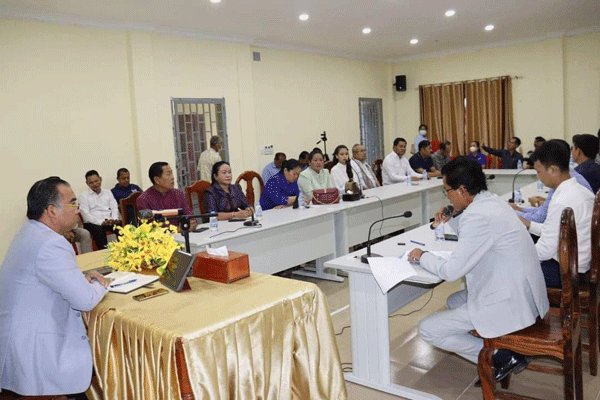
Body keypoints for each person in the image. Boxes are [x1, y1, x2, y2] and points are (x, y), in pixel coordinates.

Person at [408, 157, 549, 382]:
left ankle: (498, 357)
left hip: (508, 301)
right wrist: (454, 216)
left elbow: (452, 271)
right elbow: (475, 239)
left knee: (427, 328)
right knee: (455, 300)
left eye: (447, 191)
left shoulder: (478, 215)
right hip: (522, 293)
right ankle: (496, 346)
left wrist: (422, 256)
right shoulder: (491, 202)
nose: (447, 197)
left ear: (462, 190)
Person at [0, 177, 111, 397]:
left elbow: (52, 278)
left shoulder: (29, 232)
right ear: (51, 210)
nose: (78, 209)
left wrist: (81, 279)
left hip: (16, 345)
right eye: (72, 203)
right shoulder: (51, 243)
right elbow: (86, 300)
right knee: (107, 361)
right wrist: (103, 283)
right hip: (35, 352)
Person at [519, 140, 594, 287]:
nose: (538, 176)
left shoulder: (561, 200)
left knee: (511, 269)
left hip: (568, 272)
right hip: (580, 265)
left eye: (539, 171)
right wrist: (528, 224)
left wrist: (517, 258)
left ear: (553, 170)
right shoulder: (580, 191)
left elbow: (545, 250)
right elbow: (558, 231)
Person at [137, 162, 197, 229]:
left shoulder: (178, 193)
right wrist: (176, 229)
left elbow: (189, 214)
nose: (172, 177)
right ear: (157, 180)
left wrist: (191, 222)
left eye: (172, 173)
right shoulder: (143, 199)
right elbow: (150, 226)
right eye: (168, 174)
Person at [79, 170, 121, 250]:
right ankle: (103, 254)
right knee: (99, 232)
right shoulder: (84, 196)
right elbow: (85, 215)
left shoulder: (108, 192)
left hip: (109, 221)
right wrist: (101, 222)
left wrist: (114, 219)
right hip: (93, 223)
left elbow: (114, 207)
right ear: (87, 183)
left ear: (100, 179)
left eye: (96, 181)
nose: (95, 184)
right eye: (91, 183)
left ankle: (124, 251)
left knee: (123, 228)